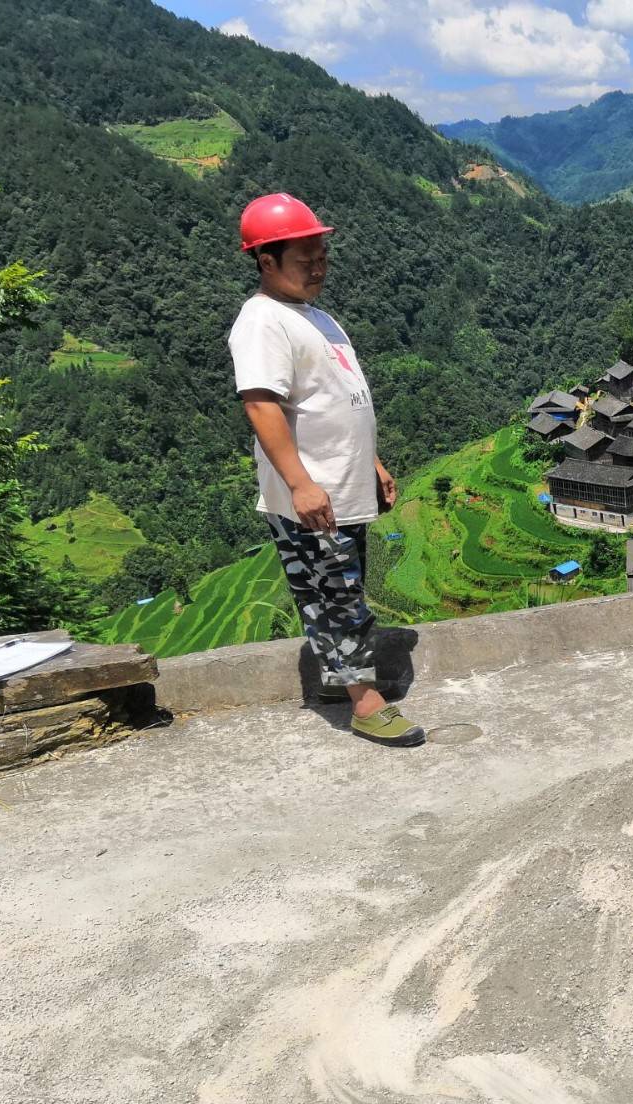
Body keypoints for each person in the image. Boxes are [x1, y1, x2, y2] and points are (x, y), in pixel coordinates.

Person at [228, 193, 424, 747]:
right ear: (266, 259)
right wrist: (300, 483)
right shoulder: (262, 320)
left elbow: (341, 399)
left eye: (321, 256)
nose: (317, 268)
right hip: (313, 493)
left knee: (338, 589)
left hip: (342, 485)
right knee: (338, 595)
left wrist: (373, 465)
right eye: (304, 259)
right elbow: (262, 405)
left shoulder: (314, 316)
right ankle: (366, 705)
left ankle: (344, 682)